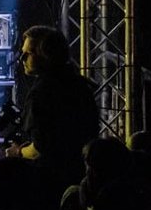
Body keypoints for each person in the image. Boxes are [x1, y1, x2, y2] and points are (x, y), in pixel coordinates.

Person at [6, 25, 99, 189]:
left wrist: (18, 153)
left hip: (49, 182)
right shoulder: (80, 85)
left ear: (46, 55)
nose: (22, 58)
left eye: (29, 53)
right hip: (80, 177)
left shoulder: (42, 93)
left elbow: (41, 148)